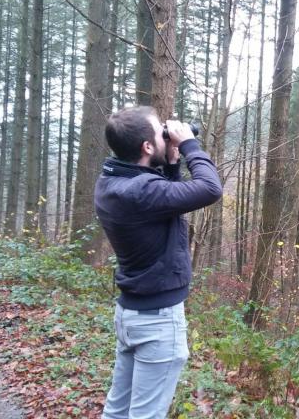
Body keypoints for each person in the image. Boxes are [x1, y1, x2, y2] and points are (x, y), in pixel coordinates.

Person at [94, 106, 222, 419]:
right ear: (147, 147)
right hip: (157, 322)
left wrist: (173, 163)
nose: (168, 134)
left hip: (131, 314)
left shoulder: (111, 180)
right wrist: (190, 144)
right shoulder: (141, 191)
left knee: (118, 411)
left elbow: (160, 200)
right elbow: (210, 188)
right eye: (160, 131)